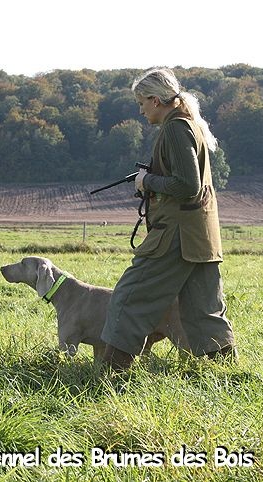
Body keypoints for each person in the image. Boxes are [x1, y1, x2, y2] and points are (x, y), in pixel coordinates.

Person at [101, 67, 237, 371]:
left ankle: (110, 374)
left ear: (155, 100)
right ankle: (229, 376)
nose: (140, 111)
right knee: (205, 311)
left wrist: (147, 181)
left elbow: (188, 186)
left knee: (129, 296)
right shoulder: (191, 124)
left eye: (141, 103)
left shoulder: (175, 128)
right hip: (200, 236)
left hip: (174, 236)